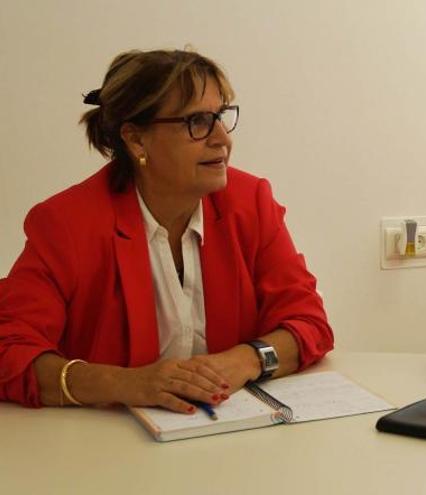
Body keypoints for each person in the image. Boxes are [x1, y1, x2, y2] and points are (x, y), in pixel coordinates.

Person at [0, 49, 333, 414]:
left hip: (229, 436)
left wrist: (244, 361)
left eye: (221, 117)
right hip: (103, 447)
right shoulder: (67, 223)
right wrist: (127, 383)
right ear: (136, 139)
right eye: (197, 122)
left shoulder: (250, 203)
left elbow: (308, 322)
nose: (222, 139)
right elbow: (9, 350)